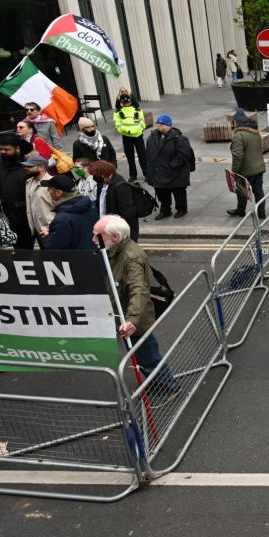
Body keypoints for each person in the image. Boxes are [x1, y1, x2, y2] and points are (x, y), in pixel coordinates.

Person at [94, 215, 180, 399]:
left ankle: (169, 387)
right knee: (141, 355)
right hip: (125, 315)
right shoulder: (115, 249)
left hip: (133, 319)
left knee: (148, 355)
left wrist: (132, 320)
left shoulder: (131, 258)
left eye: (98, 235)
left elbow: (138, 290)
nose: (93, 239)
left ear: (115, 237)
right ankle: (155, 382)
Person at [145, 114, 193, 220]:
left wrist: (173, 165)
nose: (159, 126)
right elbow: (148, 154)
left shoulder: (179, 138)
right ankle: (165, 210)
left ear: (169, 125)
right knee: (162, 192)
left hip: (175, 172)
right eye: (158, 124)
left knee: (178, 192)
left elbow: (184, 154)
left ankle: (181, 209)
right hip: (159, 171)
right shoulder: (152, 138)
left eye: (162, 124)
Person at [225, 108, 266, 219]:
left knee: (242, 191)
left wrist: (235, 171)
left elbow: (238, 155)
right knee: (258, 191)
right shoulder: (255, 132)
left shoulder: (239, 135)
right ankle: (261, 213)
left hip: (246, 170)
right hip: (259, 167)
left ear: (237, 122)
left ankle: (241, 210)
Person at [0, 132, 33, 248]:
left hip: (30, 216)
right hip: (13, 217)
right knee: (22, 251)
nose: (3, 152)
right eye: (1, 149)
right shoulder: (1, 164)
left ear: (17, 149)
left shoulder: (28, 168)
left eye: (6, 149)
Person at [39, 174, 96, 249]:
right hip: (93, 258)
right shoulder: (92, 208)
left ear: (59, 193)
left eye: (49, 188)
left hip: (73, 259)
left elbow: (53, 249)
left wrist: (46, 236)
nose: (48, 191)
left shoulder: (62, 218)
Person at [89, 160, 140, 241]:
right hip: (106, 227)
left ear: (103, 174)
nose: (94, 179)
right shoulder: (102, 184)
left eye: (96, 176)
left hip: (117, 231)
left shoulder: (120, 186)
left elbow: (128, 214)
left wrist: (129, 237)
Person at [113, 90, 148, 181]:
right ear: (121, 103)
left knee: (142, 156)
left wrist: (140, 129)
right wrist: (126, 131)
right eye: (124, 102)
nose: (126, 104)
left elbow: (142, 122)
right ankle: (133, 175)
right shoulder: (118, 112)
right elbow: (118, 124)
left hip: (138, 136)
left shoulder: (138, 110)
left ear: (131, 101)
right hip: (126, 137)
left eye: (128, 102)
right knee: (130, 157)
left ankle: (147, 174)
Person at [22, 156, 56, 239]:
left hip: (51, 230)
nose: (26, 168)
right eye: (26, 166)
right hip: (39, 231)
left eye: (30, 166)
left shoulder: (53, 183)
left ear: (41, 167)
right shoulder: (29, 182)